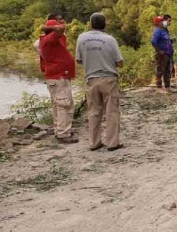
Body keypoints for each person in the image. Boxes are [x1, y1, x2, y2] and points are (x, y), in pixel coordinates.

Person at [75, 13, 124, 152]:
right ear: (105, 24)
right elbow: (120, 63)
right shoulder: (110, 40)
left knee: (93, 112)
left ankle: (94, 142)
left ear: (90, 24)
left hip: (91, 78)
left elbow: (78, 60)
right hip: (109, 79)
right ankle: (113, 143)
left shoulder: (81, 38)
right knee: (112, 112)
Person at [39, 14, 78, 143]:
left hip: (57, 77)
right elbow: (61, 29)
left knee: (58, 104)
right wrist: (47, 26)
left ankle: (59, 129)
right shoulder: (50, 38)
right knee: (64, 104)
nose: (61, 23)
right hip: (58, 77)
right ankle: (63, 133)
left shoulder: (49, 40)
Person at [151, 15, 174, 93]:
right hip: (162, 54)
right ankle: (159, 87)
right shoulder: (157, 31)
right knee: (160, 70)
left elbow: (165, 41)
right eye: (161, 21)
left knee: (167, 71)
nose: (163, 21)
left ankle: (167, 86)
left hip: (168, 53)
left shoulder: (164, 30)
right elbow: (153, 42)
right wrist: (159, 51)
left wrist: (171, 41)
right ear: (158, 23)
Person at [163, 14, 176, 79]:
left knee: (171, 66)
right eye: (169, 20)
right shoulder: (161, 29)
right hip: (165, 52)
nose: (170, 22)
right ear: (164, 21)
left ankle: (171, 81)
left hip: (169, 51)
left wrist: (171, 41)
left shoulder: (165, 29)